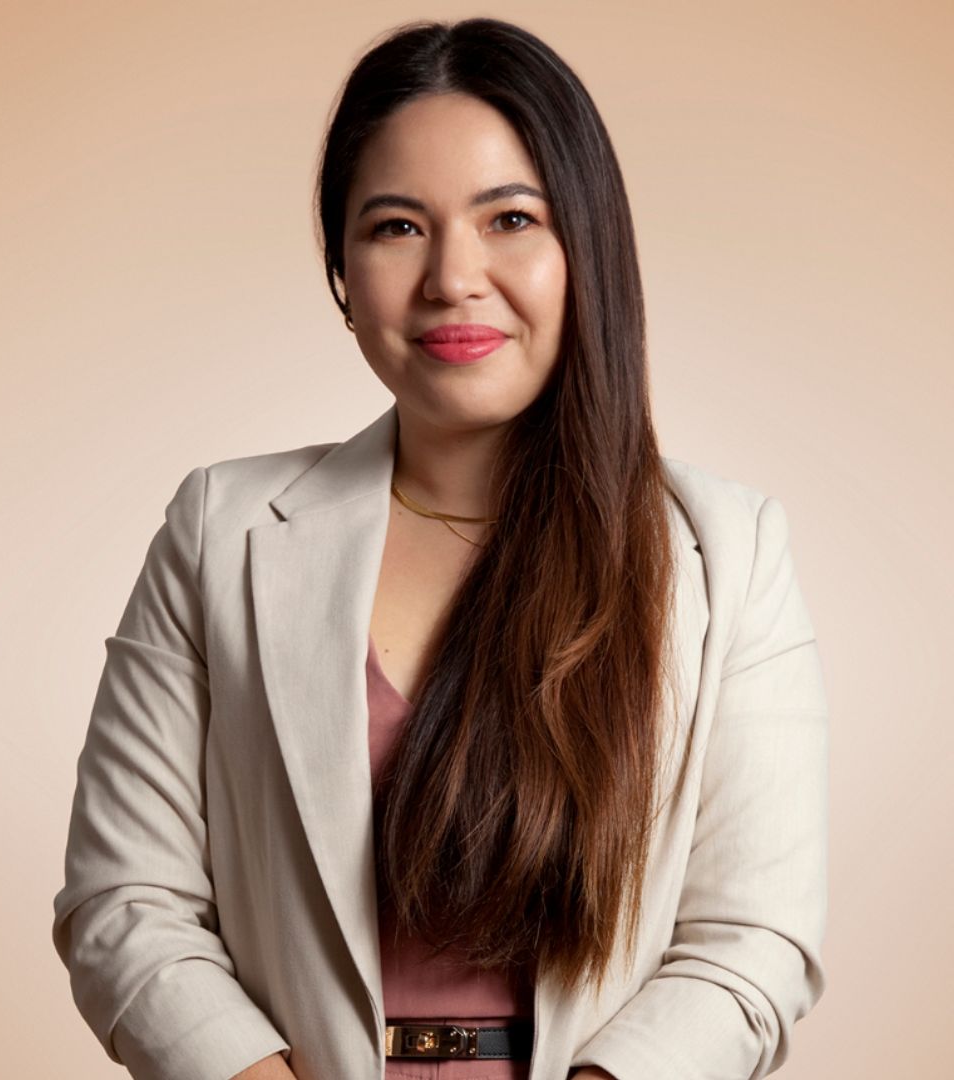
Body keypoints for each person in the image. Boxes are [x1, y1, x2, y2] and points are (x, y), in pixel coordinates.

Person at [51, 17, 829, 1080]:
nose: (454, 278)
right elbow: (124, 901)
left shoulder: (727, 554)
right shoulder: (218, 531)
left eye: (510, 217)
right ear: (341, 274)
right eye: (396, 227)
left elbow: (752, 946)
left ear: (586, 250)